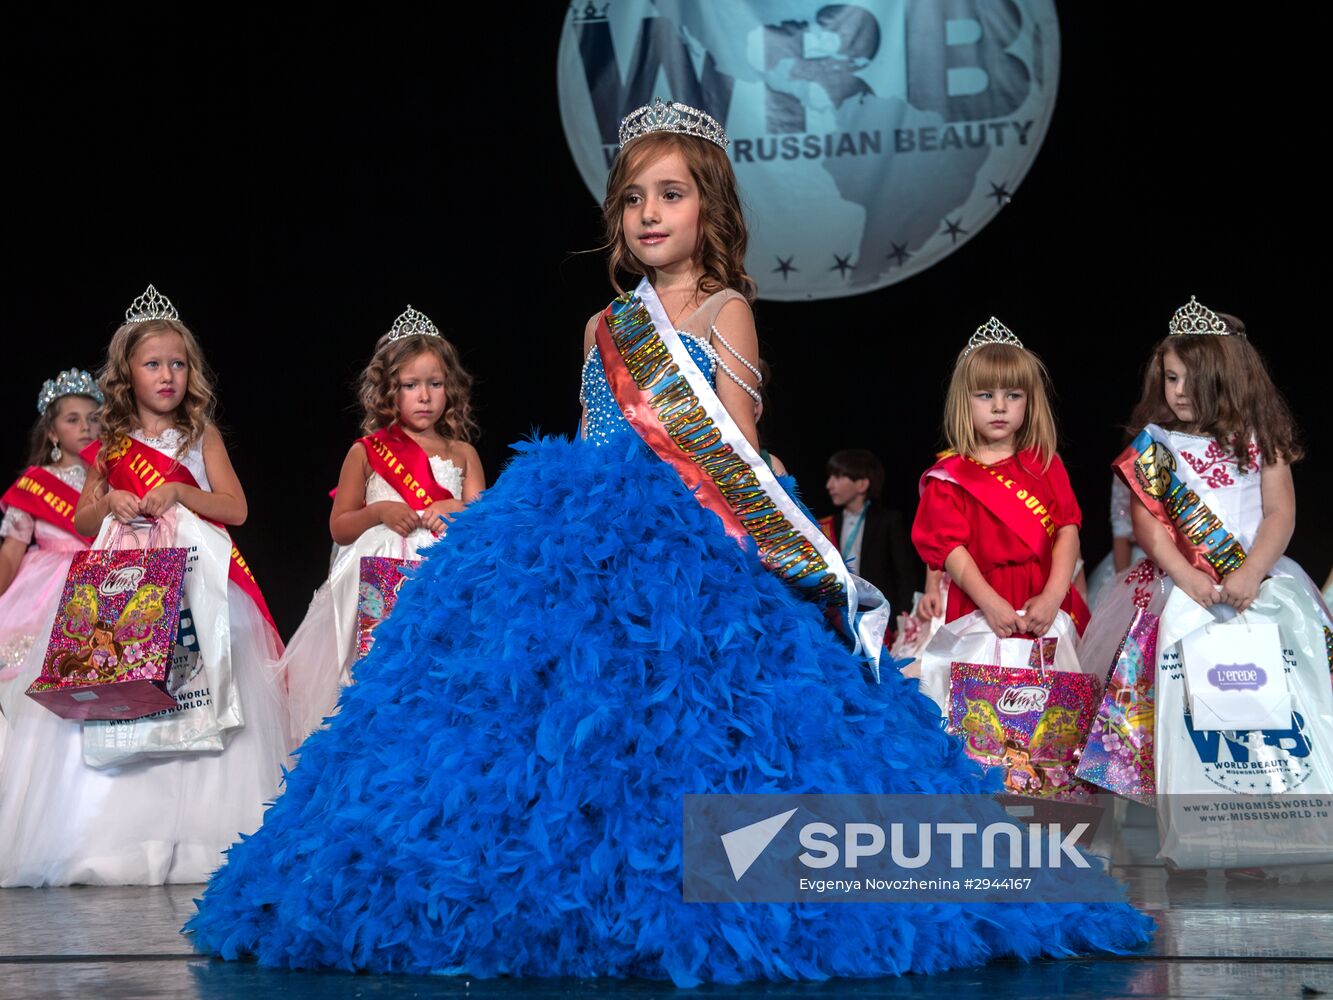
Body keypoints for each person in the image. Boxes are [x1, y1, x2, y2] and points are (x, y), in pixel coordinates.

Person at [185, 100, 1149, 985]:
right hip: (577, 545)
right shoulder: (603, 324)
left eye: (671, 195)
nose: (649, 214)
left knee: (691, 729)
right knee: (543, 731)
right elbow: (587, 431)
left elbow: (738, 444)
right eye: (633, 198)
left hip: (690, 546)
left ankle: (723, 875)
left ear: (708, 207)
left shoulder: (727, 307)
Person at [0, 284, 290, 886]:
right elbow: (82, 520)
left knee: (199, 697)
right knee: (125, 693)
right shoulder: (108, 444)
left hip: (196, 579)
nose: (167, 375)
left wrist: (183, 492)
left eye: (178, 364)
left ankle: (204, 840)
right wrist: (110, 499)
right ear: (126, 373)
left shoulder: (201, 435)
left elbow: (236, 509)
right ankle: (116, 841)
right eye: (152, 364)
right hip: (129, 581)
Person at [1076, 298, 1333, 841]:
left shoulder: (1261, 437)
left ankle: (1281, 826)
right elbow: (1148, 528)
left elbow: (1280, 512)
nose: (1179, 391)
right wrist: (1188, 579)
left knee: (1274, 703)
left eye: (1193, 379)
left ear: (1228, 377)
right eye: (1170, 378)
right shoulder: (1155, 444)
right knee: (1185, 708)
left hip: (1259, 586)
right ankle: (1200, 827)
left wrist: (1251, 573)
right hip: (1177, 585)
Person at [281, 307, 484, 740]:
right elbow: (340, 527)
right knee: (374, 682)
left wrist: (455, 508)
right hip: (375, 580)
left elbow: (488, 523)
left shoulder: (463, 453)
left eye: (435, 384)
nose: (425, 396)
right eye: (411, 386)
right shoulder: (367, 451)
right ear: (389, 392)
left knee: (437, 677)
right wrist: (379, 512)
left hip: (442, 575)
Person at [912, 319, 1089, 638]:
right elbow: (952, 551)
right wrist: (990, 604)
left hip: (1044, 603)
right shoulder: (948, 478)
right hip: (979, 608)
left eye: (1013, 395)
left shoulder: (1045, 463)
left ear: (1029, 400)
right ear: (963, 400)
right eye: (984, 395)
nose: (998, 406)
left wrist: (1052, 597)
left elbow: (1067, 530)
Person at [0, 371, 102, 759]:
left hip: (95, 582)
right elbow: (11, 551)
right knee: (35, 699)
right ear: (53, 432)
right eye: (72, 419)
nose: (86, 427)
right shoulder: (35, 482)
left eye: (94, 418)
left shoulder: (111, 478)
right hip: (43, 592)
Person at [822, 448, 916, 618]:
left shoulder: (889, 521)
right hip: (839, 613)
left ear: (862, 484)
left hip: (879, 617)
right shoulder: (827, 524)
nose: (829, 485)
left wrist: (901, 617)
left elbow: (904, 576)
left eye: (837, 477)